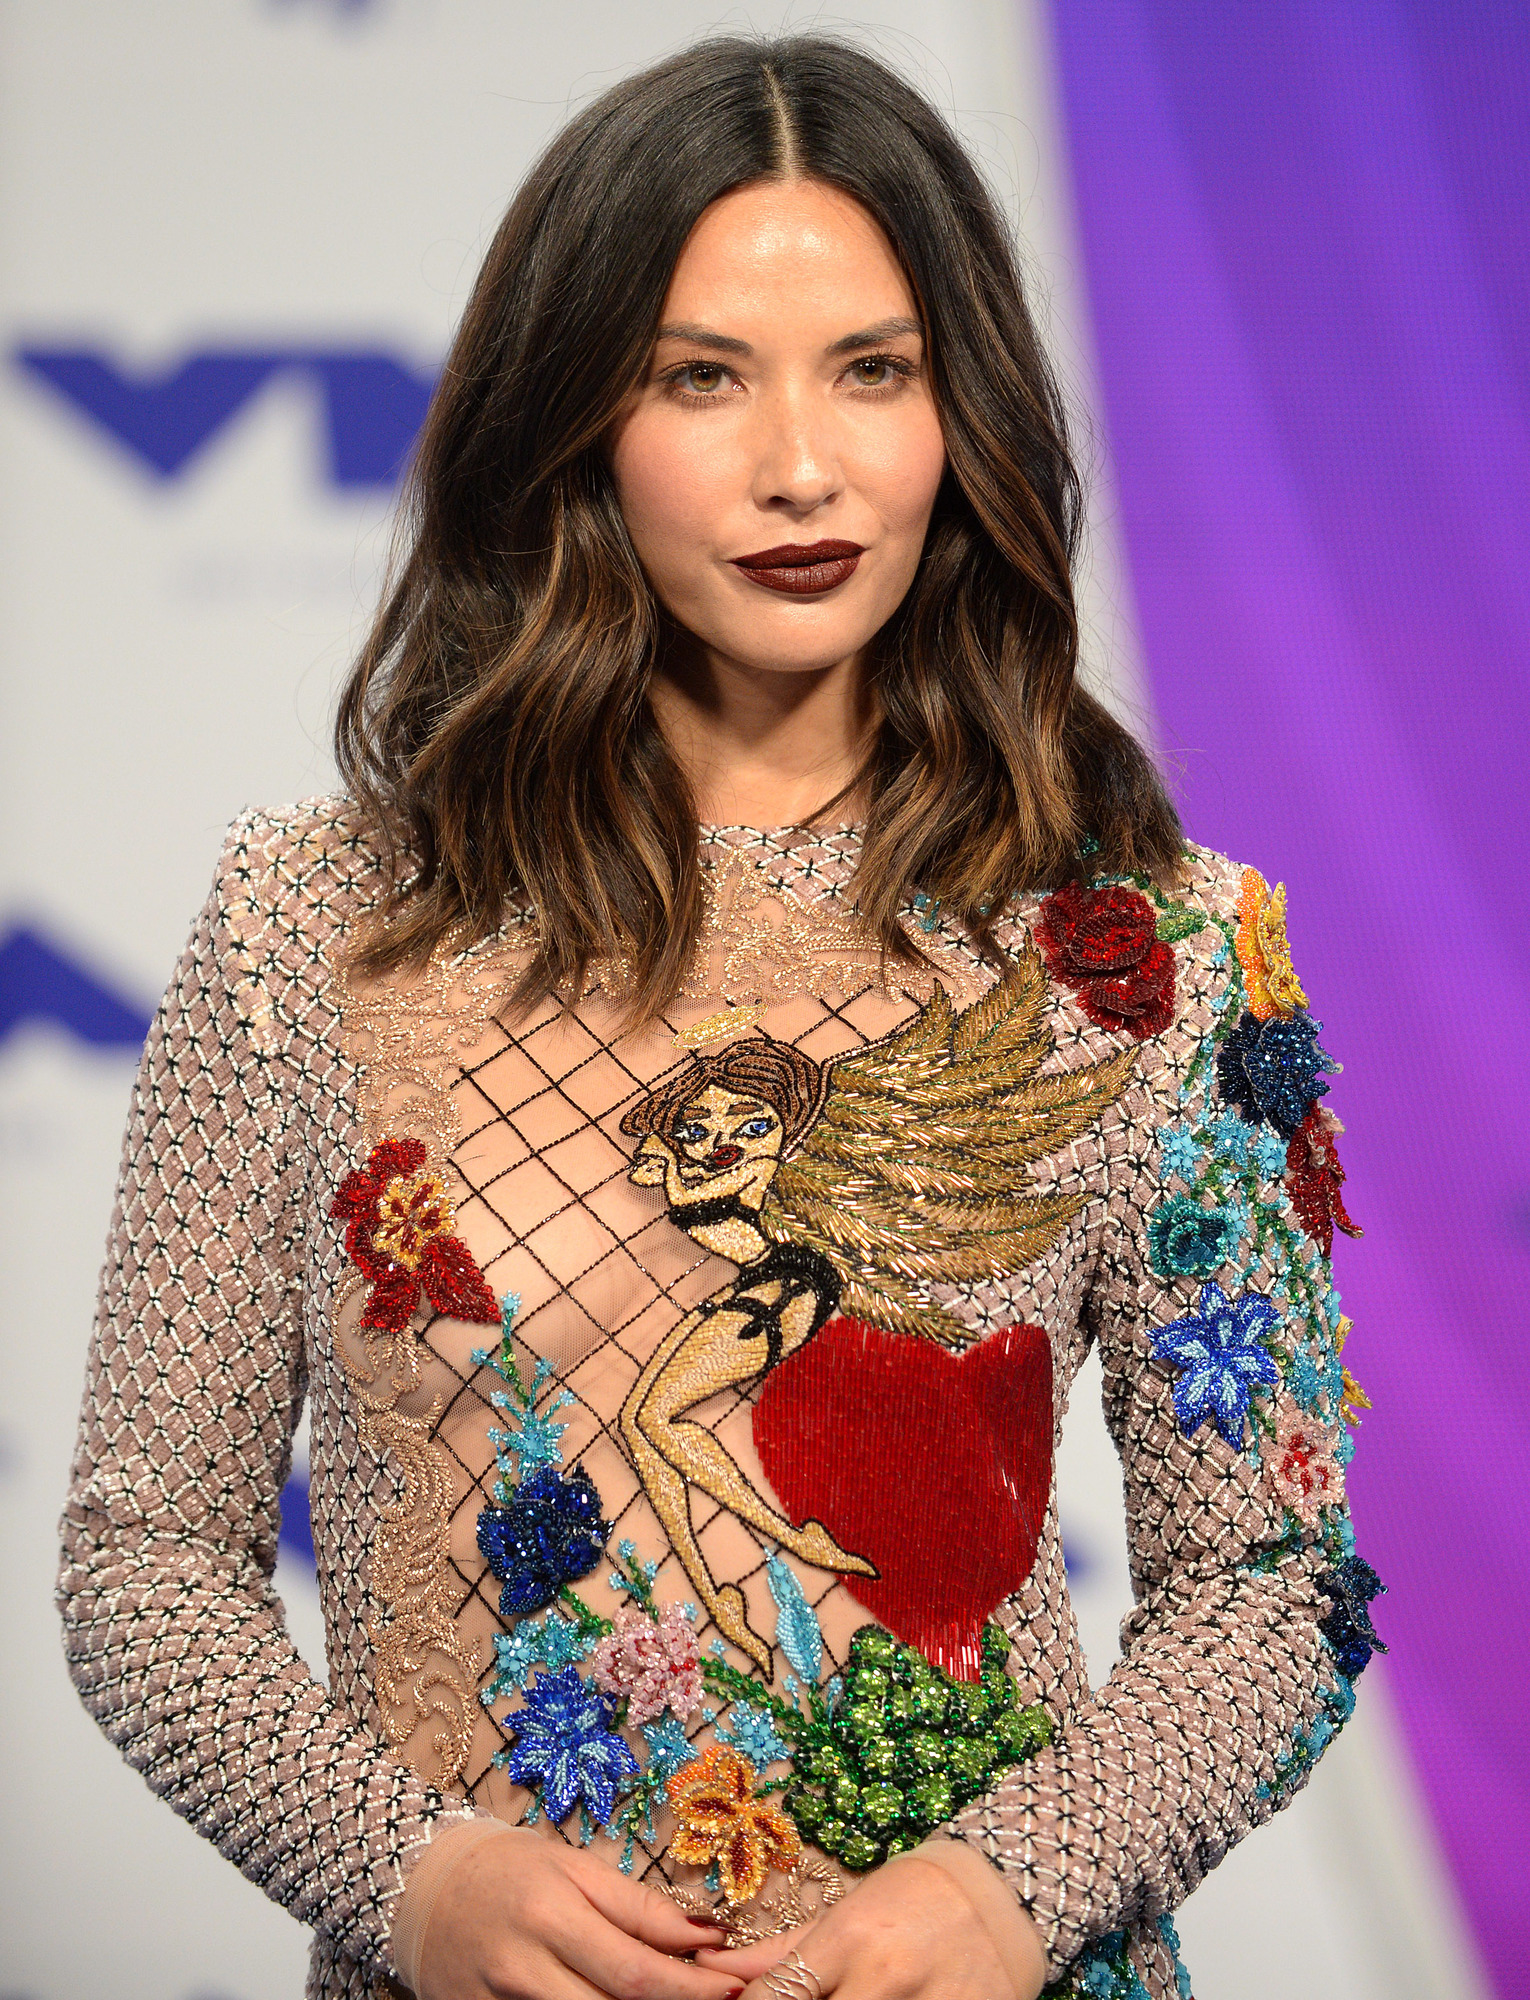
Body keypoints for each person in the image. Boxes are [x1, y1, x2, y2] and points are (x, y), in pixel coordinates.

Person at [58, 33, 1383, 2000]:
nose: (799, 463)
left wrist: (1009, 1891)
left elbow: (1268, 1586)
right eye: (702, 375)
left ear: (964, 411)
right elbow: (144, 1559)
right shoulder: (310, 930)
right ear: (571, 415)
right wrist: (406, 1877)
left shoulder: (1144, 951)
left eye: (874, 369)